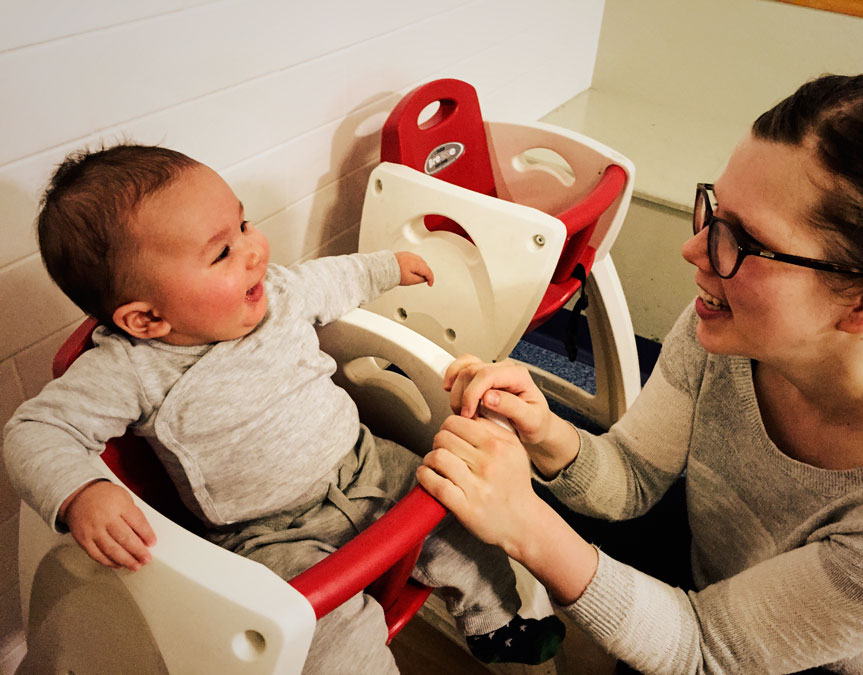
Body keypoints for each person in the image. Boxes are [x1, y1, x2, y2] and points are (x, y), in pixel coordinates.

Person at [3, 144, 564, 673]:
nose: (255, 250)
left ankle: (498, 619)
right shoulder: (128, 368)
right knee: (321, 634)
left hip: (365, 465)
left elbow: (334, 276)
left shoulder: (276, 293)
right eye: (223, 252)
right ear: (148, 320)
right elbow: (33, 430)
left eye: (243, 224)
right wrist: (81, 492)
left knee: (459, 519)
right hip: (267, 536)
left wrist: (389, 266)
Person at [416, 65, 863, 674]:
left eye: (742, 240)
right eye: (714, 212)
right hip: (712, 584)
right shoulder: (728, 329)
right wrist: (545, 434)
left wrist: (526, 525)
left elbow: (703, 650)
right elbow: (635, 476)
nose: (694, 250)